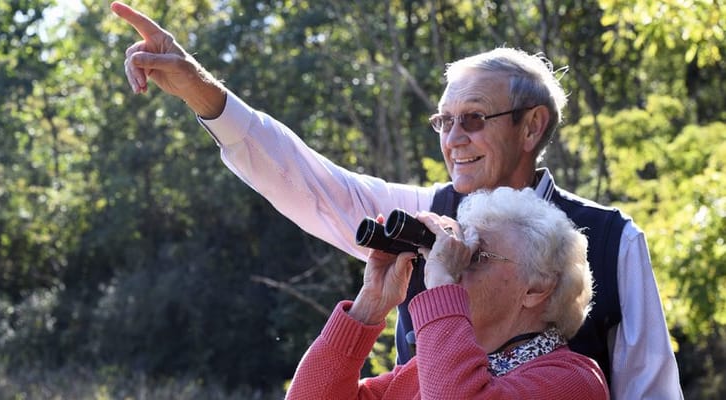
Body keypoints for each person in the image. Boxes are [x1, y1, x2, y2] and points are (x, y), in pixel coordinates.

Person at [110, 2, 683, 398]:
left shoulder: (610, 239)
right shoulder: (427, 213)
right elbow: (304, 181)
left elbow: (651, 390)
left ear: (533, 127)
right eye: (444, 120)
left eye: (474, 119)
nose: (453, 139)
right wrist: (199, 90)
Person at [286, 187, 609, 399]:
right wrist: (370, 305)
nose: (457, 262)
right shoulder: (423, 373)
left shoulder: (572, 382)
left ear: (536, 289)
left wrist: (442, 283)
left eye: (476, 255)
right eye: (458, 248)